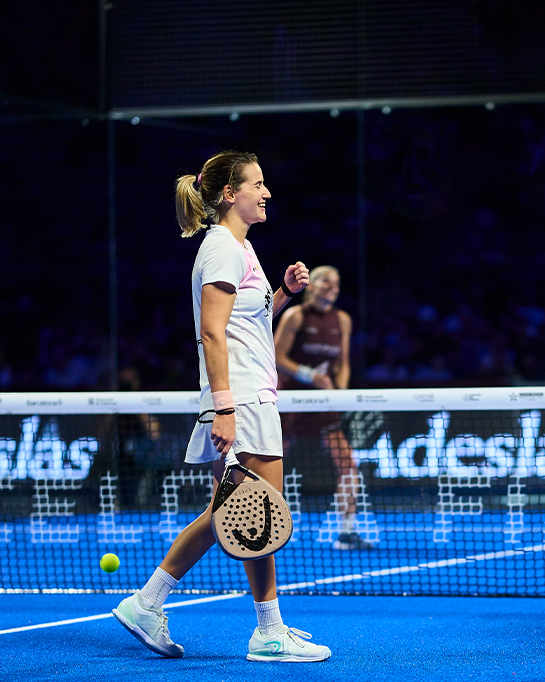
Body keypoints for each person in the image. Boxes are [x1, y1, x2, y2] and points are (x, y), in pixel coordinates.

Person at [112, 150, 331, 662]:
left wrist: (284, 293)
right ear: (230, 194)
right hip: (244, 398)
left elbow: (243, 321)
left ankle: (151, 603)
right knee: (256, 513)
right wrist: (227, 408)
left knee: (235, 513)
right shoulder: (222, 249)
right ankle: (266, 632)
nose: (267, 192)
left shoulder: (241, 249)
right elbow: (212, 332)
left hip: (250, 394)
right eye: (258, 183)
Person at [273, 265, 370, 550]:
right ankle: (259, 525)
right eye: (327, 281)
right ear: (311, 286)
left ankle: (347, 532)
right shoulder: (294, 315)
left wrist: (340, 393)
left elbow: (343, 364)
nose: (333, 287)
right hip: (290, 401)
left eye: (337, 283)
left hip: (324, 403)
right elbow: (276, 356)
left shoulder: (342, 320)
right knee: (270, 464)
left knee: (348, 465)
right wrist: (309, 375)